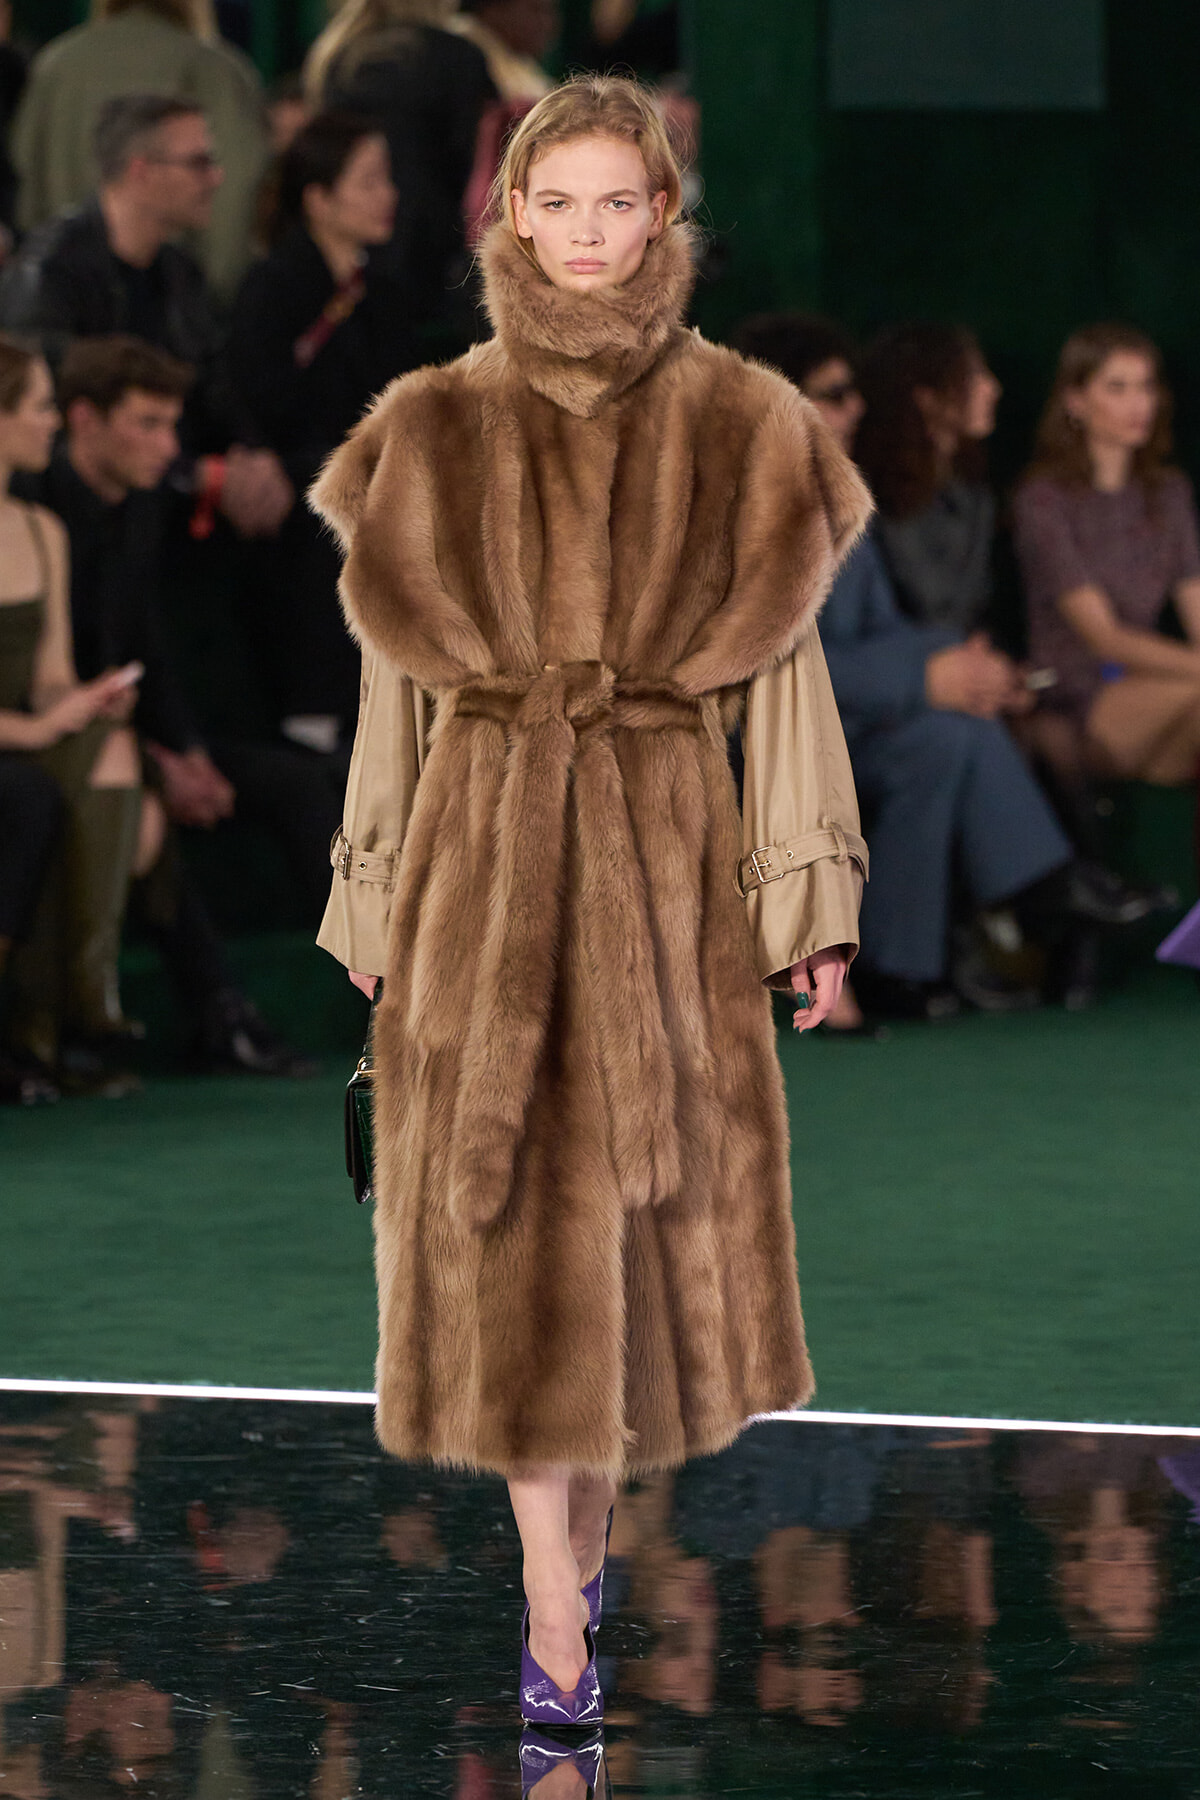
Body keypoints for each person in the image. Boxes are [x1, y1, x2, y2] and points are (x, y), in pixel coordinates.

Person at [311, 76, 870, 1718]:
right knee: (505, 1252)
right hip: (483, 863)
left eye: (617, 204)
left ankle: (586, 1542)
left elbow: (783, 683)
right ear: (511, 220)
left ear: (663, 223)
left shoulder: (744, 425)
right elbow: (397, 694)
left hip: (669, 870)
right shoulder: (434, 425)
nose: (584, 236)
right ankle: (554, 1613)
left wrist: (809, 903)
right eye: (556, 205)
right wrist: (376, 902)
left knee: (629, 1258)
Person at [736, 313, 1164, 1021]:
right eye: (836, 393)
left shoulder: (835, 497)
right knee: (950, 725)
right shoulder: (741, 511)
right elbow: (761, 671)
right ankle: (1048, 890)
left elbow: (883, 630)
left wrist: (954, 668)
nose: (858, 407)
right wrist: (926, 677)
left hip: (851, 727)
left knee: (949, 738)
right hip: (766, 749)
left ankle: (908, 970)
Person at [25, 336, 324, 1077]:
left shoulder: (143, 505)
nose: (169, 446)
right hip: (60, 731)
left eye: (172, 425)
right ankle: (214, 1009)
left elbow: (146, 643)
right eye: (148, 425)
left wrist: (185, 747)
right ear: (85, 420)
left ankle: (384, 989)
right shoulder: (36, 510)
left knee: (298, 782)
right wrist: (163, 760)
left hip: (131, 727)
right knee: (141, 807)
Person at [0, 93, 292, 540]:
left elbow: (215, 386)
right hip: (78, 521)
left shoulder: (180, 273)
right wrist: (190, 473)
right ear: (141, 170)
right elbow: (51, 427)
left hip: (165, 507)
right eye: (198, 163)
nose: (216, 177)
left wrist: (252, 457)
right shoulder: (50, 274)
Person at [227, 111, 413, 750]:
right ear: (318, 198)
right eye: (368, 181)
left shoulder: (383, 294)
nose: (387, 195)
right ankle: (312, 729)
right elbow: (259, 406)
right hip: (293, 497)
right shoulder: (273, 288)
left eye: (386, 179)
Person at [0, 336, 149, 1097]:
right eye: (39, 407)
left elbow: (50, 677)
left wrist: (83, 701)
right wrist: (33, 730)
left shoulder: (39, 530)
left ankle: (83, 1004)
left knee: (109, 745)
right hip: (10, 744)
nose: (52, 422)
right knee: (42, 790)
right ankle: (42, 1025)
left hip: (23, 739)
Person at [1013, 323, 1200, 862]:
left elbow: (1194, 602)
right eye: (1117, 387)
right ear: (1075, 400)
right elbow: (1105, 638)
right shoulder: (1043, 500)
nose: (1138, 402)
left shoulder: (1168, 492)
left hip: (1161, 689)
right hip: (1078, 697)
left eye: (1145, 386)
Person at [9, 0, 268, 302]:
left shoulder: (55, 65)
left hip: (62, 302)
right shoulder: (215, 70)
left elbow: (26, 189)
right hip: (174, 312)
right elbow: (236, 201)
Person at [303, 0, 496, 333]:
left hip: (345, 254)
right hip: (437, 264)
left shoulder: (337, 54)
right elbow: (480, 167)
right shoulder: (456, 57)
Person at [856, 321, 1005, 638]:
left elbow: (977, 604)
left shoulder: (971, 491)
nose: (992, 389)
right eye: (972, 376)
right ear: (927, 396)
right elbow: (928, 601)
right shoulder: (882, 498)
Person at [450, 0, 557, 102]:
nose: (547, 23)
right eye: (535, 10)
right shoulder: (461, 55)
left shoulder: (518, 56)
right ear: (494, 9)